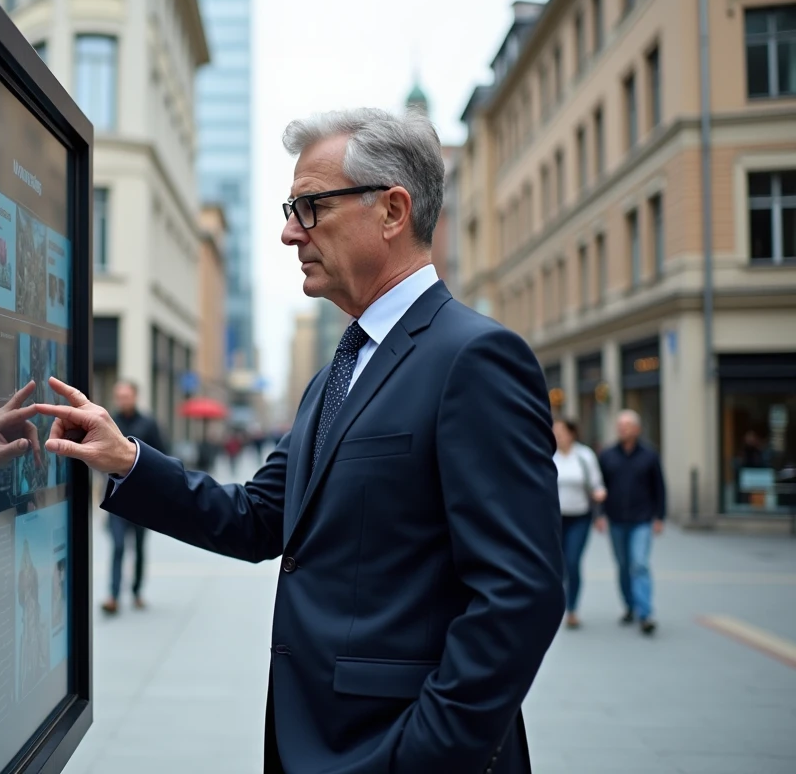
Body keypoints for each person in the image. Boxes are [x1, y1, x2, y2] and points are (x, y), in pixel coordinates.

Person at [36, 107, 564, 774]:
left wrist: (421, 756)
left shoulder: (476, 359)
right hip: (313, 739)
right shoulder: (337, 372)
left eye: (310, 207)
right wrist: (127, 460)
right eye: (291, 210)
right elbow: (259, 517)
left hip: (391, 750)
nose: (289, 232)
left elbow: (520, 594)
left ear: (393, 211)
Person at [594, 409, 666, 635]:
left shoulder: (649, 455)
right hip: (616, 519)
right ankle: (629, 605)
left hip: (642, 520)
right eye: (620, 425)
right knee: (623, 566)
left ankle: (645, 613)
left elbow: (659, 488)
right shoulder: (607, 455)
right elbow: (600, 487)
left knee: (639, 564)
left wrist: (660, 517)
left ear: (637, 429)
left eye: (626, 425)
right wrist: (599, 514)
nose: (622, 429)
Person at [101, 379, 167, 614]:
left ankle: (137, 592)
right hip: (116, 497)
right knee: (118, 546)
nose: (122, 400)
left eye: (126, 396)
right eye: (119, 396)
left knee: (138, 547)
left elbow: (162, 456)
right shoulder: (109, 423)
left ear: (135, 397)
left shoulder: (149, 423)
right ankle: (113, 595)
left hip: (141, 498)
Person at [553, 418, 606, 629]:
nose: (557, 435)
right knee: (557, 565)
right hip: (554, 520)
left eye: (561, 431)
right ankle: (555, 606)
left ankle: (572, 609)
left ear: (572, 433)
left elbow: (596, 484)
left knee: (572, 561)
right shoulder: (549, 455)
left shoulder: (585, 456)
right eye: (554, 431)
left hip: (580, 518)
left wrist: (599, 495)